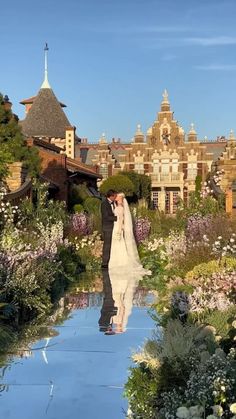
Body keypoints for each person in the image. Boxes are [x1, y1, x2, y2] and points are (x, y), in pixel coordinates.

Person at [109, 192, 151, 275]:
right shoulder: (117, 206)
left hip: (118, 227)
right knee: (116, 244)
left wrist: (119, 229)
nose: (116, 197)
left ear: (120, 198)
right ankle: (117, 263)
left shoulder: (120, 207)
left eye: (117, 196)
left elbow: (121, 219)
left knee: (119, 244)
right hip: (115, 226)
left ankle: (120, 263)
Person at [101, 189, 117, 268]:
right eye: (115, 196)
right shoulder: (104, 204)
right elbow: (106, 217)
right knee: (107, 244)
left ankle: (111, 261)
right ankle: (105, 262)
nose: (116, 198)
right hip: (107, 227)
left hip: (114, 227)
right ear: (111, 196)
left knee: (112, 244)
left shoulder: (114, 203)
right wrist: (117, 218)